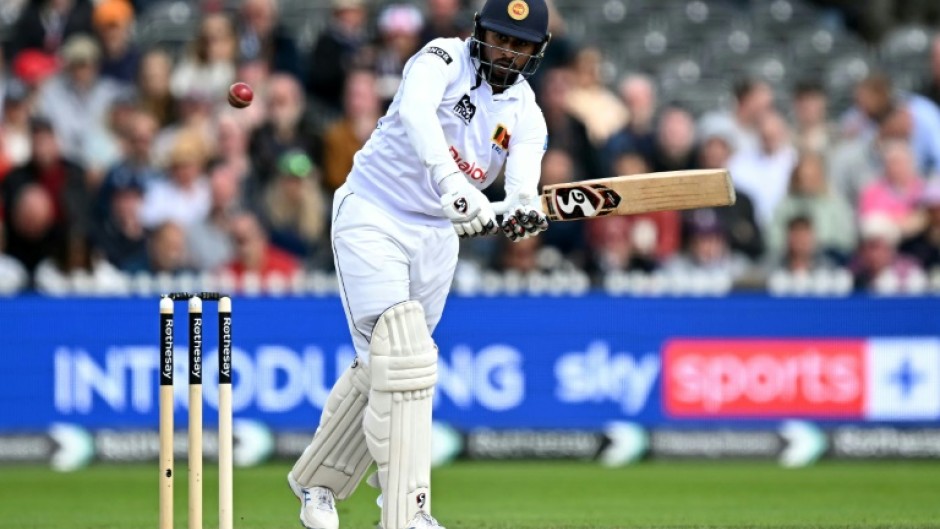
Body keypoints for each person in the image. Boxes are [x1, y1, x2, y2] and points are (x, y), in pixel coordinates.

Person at [286, 2, 553, 529]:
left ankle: (318, 482)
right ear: (480, 33)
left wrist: (520, 209)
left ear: (536, 53)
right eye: (501, 38)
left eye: (521, 45)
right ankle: (408, 513)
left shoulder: (527, 112)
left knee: (388, 368)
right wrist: (454, 186)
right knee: (403, 356)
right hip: (374, 211)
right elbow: (414, 114)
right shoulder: (441, 58)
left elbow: (522, 184)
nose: (508, 52)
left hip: (437, 236)